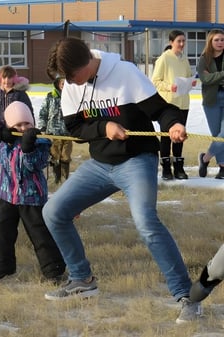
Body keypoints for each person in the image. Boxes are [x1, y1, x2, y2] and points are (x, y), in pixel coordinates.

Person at [42, 37, 200, 324]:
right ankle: (82, 279)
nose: (69, 83)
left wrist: (175, 125)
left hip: (137, 161)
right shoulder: (71, 85)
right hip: (100, 165)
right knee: (53, 212)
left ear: (87, 63)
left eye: (72, 76)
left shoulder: (125, 73)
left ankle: (187, 295)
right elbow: (75, 128)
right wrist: (105, 126)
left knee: (146, 223)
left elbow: (161, 110)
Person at [0, 101, 66, 282]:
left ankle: (54, 270)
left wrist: (28, 149)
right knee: (1, 231)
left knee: (40, 233)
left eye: (27, 123)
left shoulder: (41, 141)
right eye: (17, 125)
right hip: (6, 194)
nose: (22, 128)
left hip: (31, 196)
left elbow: (35, 165)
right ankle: (2, 267)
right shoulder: (1, 138)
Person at [151, 30, 195, 180]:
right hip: (169, 104)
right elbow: (155, 81)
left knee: (180, 136)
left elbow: (188, 75)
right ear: (171, 42)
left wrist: (191, 82)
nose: (182, 44)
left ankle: (178, 168)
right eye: (179, 41)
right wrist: (170, 87)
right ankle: (166, 169)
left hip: (183, 103)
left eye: (183, 41)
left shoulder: (184, 59)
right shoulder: (164, 59)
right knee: (166, 137)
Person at [197, 29, 224, 179]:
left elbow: (210, 78)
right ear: (210, 42)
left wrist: (214, 77)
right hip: (211, 100)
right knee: (217, 135)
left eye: (222, 40)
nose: (220, 43)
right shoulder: (204, 59)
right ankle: (222, 167)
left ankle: (205, 158)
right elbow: (205, 79)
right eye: (217, 40)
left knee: (223, 134)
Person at [37, 76, 72, 184]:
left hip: (67, 132)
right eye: (62, 83)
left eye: (66, 84)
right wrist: (42, 127)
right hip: (53, 132)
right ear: (57, 84)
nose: (64, 86)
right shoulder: (50, 97)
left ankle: (65, 178)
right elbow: (43, 112)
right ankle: (57, 178)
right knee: (55, 156)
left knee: (65, 156)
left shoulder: (72, 97)